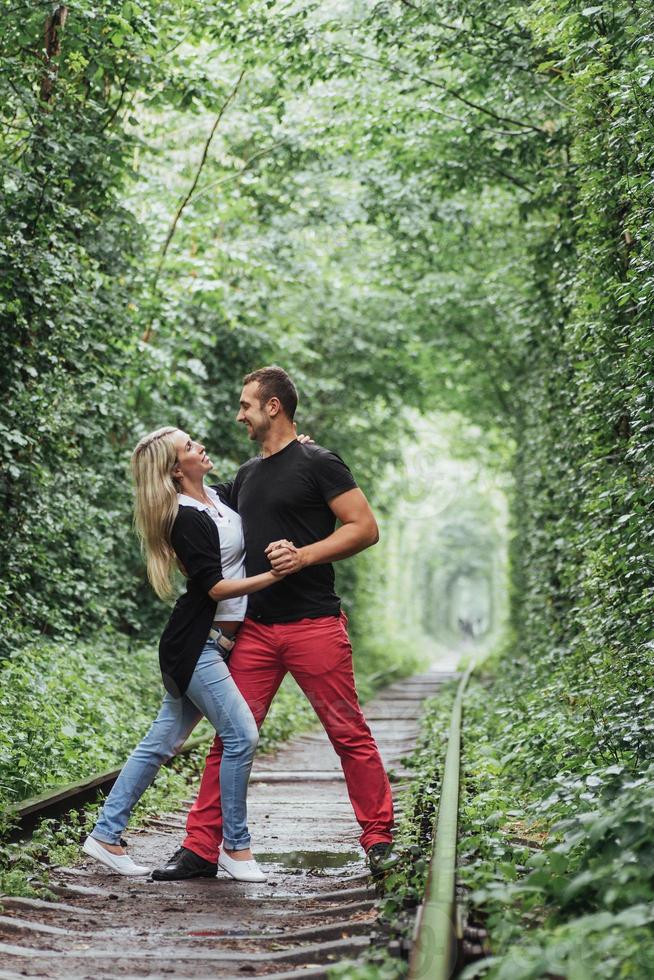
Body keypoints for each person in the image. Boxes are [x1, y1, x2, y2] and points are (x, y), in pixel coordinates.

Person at [153, 367, 396, 882]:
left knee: (348, 732)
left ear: (272, 408)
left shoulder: (320, 463)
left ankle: (378, 840)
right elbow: (199, 508)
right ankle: (200, 848)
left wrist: (303, 556)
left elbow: (365, 528)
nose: (238, 414)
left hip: (314, 624)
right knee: (230, 735)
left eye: (246, 404)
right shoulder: (243, 477)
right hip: (256, 632)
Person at [82, 425, 287, 881]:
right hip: (199, 645)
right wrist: (273, 576)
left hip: (218, 642)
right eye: (191, 447)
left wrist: (294, 450)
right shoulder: (185, 516)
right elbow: (214, 587)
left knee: (160, 742)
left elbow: (254, 478)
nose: (202, 447)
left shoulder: (216, 497)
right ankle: (236, 849)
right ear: (177, 468)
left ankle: (105, 834)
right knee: (241, 736)